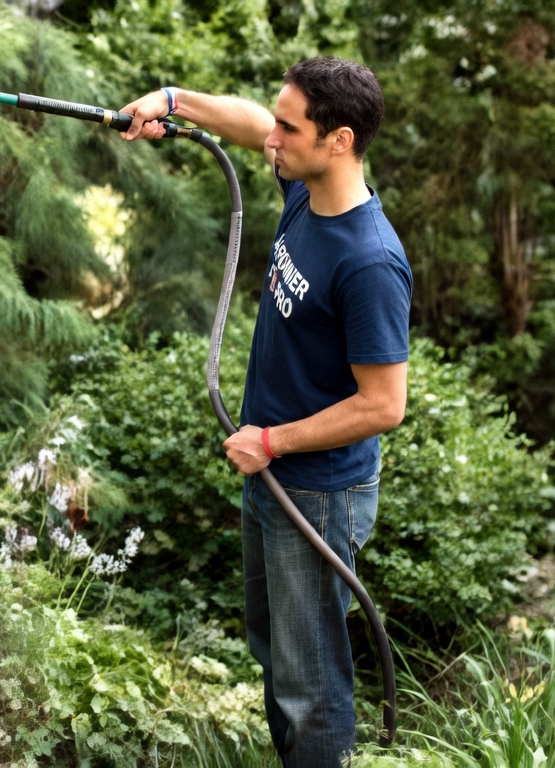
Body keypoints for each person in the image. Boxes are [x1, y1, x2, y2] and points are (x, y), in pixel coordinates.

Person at [119, 57, 411, 766]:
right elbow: (251, 125)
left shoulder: (368, 261)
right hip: (273, 473)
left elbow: (384, 405)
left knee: (309, 687)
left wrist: (273, 441)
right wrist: (171, 99)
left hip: (316, 488)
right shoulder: (308, 191)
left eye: (290, 127)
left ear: (338, 140)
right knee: (278, 656)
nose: (271, 139)